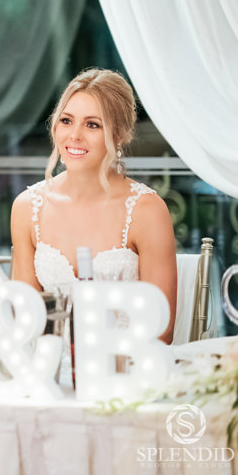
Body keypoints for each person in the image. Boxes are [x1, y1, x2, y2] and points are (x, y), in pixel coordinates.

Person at [11, 68, 177, 343]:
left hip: (127, 362)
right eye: (66, 120)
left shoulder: (147, 211)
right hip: (53, 364)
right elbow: (25, 318)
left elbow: (162, 330)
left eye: (92, 125)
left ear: (120, 135)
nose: (74, 135)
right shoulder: (27, 208)